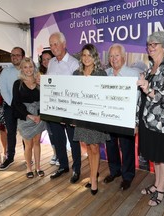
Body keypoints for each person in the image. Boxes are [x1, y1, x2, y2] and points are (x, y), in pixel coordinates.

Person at [137, 31, 164, 206]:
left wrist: (148, 90)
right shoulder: (149, 68)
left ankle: (161, 189)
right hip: (149, 120)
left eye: (155, 44)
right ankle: (156, 184)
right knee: (155, 155)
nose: (151, 47)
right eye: (149, 44)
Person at [73, 44, 110, 195]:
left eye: (89, 55)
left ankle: (93, 179)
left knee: (94, 147)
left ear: (94, 56)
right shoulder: (76, 74)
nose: (86, 58)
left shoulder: (101, 74)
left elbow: (106, 97)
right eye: (84, 55)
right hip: (82, 116)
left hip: (96, 117)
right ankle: (93, 174)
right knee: (88, 147)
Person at [47, 32, 81, 183]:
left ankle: (77, 169)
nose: (53, 47)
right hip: (54, 109)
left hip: (70, 110)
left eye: (56, 44)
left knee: (74, 141)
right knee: (58, 139)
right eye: (51, 45)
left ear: (64, 44)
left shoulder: (74, 63)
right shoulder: (52, 62)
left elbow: (77, 89)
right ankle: (63, 165)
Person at [104, 43, 139, 191]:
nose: (114, 59)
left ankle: (128, 176)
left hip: (126, 118)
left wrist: (135, 121)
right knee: (110, 145)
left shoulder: (133, 74)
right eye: (111, 56)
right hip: (108, 117)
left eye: (116, 55)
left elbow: (138, 99)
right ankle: (114, 171)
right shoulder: (104, 74)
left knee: (126, 147)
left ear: (123, 57)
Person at [12, 57, 46, 178]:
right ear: (21, 68)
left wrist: (40, 115)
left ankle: (38, 167)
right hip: (25, 117)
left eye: (30, 66)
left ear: (34, 67)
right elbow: (16, 103)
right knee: (28, 144)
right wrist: (30, 115)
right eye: (25, 67)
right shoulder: (18, 84)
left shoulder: (40, 82)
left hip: (39, 116)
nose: (28, 69)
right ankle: (29, 168)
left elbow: (46, 99)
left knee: (37, 142)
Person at [0, 47, 25, 170]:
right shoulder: (5, 72)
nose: (15, 57)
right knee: (11, 133)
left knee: (26, 133)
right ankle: (10, 158)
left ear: (23, 57)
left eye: (18, 55)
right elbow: (3, 90)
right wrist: (13, 104)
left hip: (26, 107)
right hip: (10, 106)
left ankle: (28, 156)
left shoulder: (28, 69)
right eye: (13, 55)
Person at [38, 48, 58, 166]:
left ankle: (60, 154)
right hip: (44, 108)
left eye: (48, 59)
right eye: (43, 59)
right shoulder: (38, 74)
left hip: (55, 107)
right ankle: (55, 153)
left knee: (57, 133)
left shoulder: (55, 73)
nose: (45, 62)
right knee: (50, 132)